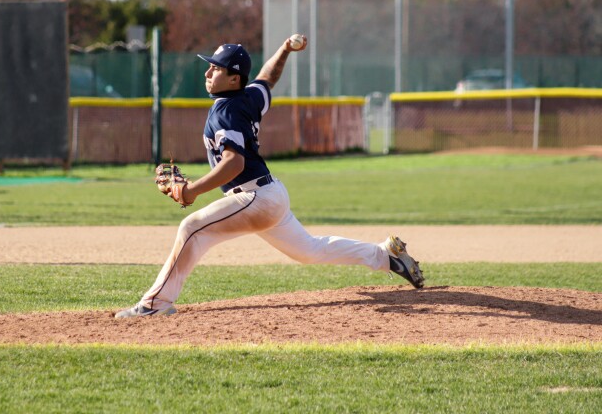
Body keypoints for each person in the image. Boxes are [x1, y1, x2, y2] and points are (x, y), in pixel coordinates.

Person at [115, 38, 424, 318]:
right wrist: (285, 49)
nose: (208, 74)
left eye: (215, 69)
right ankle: (384, 255)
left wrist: (192, 190)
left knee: (192, 228)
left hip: (253, 198)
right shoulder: (249, 97)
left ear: (233, 77)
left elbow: (233, 163)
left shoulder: (225, 111)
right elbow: (267, 78)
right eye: (209, 68)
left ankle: (155, 305)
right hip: (270, 193)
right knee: (310, 250)